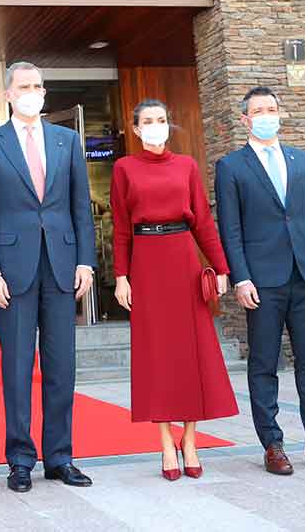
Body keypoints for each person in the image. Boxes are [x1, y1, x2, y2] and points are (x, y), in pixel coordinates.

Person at [215, 86, 305, 475]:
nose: (266, 115)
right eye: (258, 110)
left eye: (272, 109)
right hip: (262, 282)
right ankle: (273, 445)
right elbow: (231, 230)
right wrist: (241, 278)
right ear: (244, 119)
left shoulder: (303, 160)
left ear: (281, 114)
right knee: (264, 365)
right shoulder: (231, 166)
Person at [0, 61, 97, 493]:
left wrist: (86, 261)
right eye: (24, 86)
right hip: (12, 271)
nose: (33, 92)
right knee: (18, 368)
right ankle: (20, 459)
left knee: (63, 367)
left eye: (39, 86)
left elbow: (81, 207)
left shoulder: (67, 140)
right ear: (8, 93)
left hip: (62, 267)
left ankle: (60, 457)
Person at [110, 99, 238, 481]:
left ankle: (191, 440)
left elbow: (203, 219)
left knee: (192, 353)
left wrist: (221, 268)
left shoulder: (186, 166)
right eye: (147, 121)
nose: (154, 126)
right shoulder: (123, 168)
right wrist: (121, 276)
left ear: (169, 124)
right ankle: (166, 443)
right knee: (157, 357)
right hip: (146, 264)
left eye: (161, 120)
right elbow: (119, 225)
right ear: (135, 129)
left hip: (184, 262)